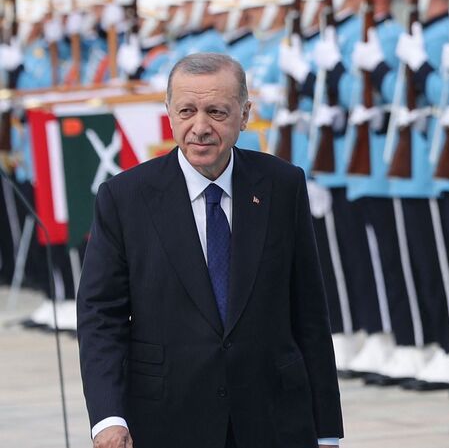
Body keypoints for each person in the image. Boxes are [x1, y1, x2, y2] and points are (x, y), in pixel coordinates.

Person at [77, 53, 343, 448]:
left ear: (245, 114)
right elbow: (101, 316)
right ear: (168, 112)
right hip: (166, 420)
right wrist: (108, 418)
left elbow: (309, 313)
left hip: (272, 420)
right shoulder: (125, 197)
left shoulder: (282, 185)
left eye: (217, 112)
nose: (199, 127)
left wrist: (326, 431)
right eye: (186, 110)